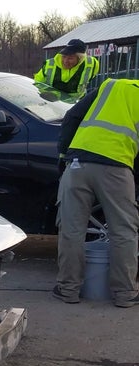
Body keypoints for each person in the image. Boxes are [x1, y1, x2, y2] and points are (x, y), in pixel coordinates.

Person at [52, 78, 139, 307]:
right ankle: (125, 294)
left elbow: (71, 116)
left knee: (71, 229)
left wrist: (63, 155)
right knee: (123, 231)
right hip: (117, 168)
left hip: (77, 163)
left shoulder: (112, 85)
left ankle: (68, 290)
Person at [34, 39, 100, 100]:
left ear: (80, 59)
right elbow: (37, 84)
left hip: (76, 103)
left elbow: (90, 77)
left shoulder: (92, 64)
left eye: (70, 58)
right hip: (51, 103)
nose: (65, 61)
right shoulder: (49, 65)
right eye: (64, 56)